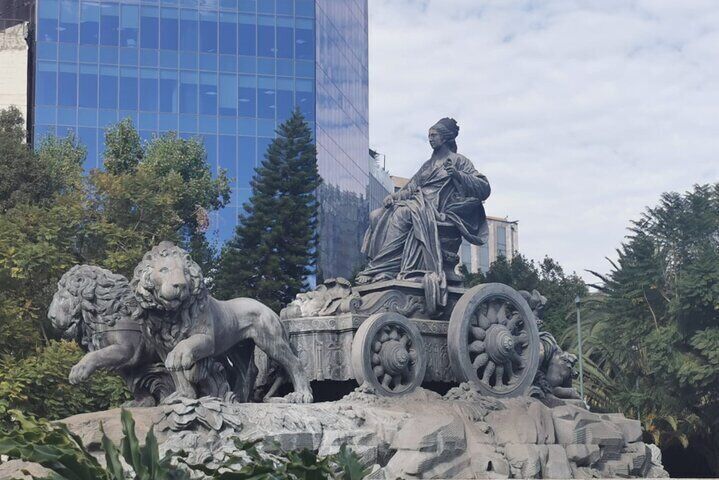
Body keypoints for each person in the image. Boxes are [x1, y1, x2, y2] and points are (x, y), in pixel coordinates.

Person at [356, 118, 491, 288]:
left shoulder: (459, 161)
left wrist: (457, 175)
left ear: (445, 137)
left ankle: (384, 268)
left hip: (437, 208)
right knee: (376, 215)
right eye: (429, 135)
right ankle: (377, 267)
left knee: (403, 213)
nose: (430, 139)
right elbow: (411, 187)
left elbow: (484, 187)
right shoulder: (428, 165)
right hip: (418, 202)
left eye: (434, 135)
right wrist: (395, 197)